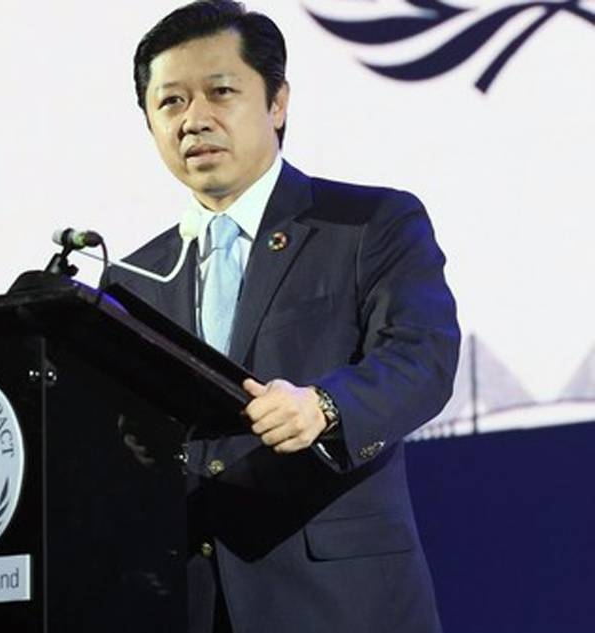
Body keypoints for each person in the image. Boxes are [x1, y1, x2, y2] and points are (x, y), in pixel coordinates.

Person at [103, 2, 460, 632]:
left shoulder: (369, 224)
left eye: (220, 92)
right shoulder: (131, 280)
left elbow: (422, 358)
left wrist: (324, 407)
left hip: (339, 601)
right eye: (171, 103)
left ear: (277, 103)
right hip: (183, 602)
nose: (194, 120)